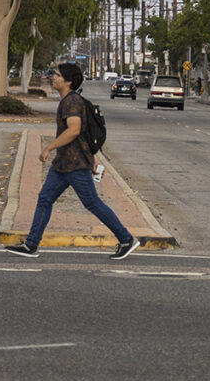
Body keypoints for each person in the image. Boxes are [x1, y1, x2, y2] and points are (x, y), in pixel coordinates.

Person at [9, 62, 142, 261]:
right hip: (64, 164)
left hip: (75, 165)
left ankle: (126, 239)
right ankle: (31, 244)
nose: (52, 77)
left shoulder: (71, 102)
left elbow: (74, 130)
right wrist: (92, 157)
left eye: (57, 75)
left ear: (68, 81)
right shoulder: (69, 100)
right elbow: (82, 136)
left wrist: (48, 147)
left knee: (92, 203)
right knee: (45, 199)